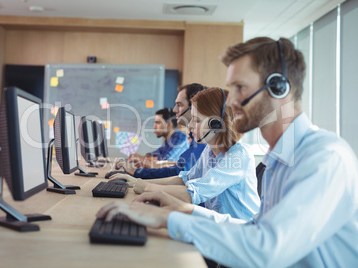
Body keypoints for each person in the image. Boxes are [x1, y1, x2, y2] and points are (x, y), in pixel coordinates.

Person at [97, 37, 358, 267]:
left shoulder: (323, 158)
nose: (230, 101)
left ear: (280, 88)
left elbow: (265, 250)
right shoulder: (279, 159)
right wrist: (180, 212)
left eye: (240, 88)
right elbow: (253, 229)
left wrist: (172, 220)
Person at [110, 87, 260, 221]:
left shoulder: (239, 155)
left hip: (241, 237)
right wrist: (138, 181)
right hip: (217, 231)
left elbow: (194, 193)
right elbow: (185, 179)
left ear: (216, 124)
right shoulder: (209, 151)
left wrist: (146, 187)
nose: (189, 126)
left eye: (195, 120)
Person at [119, 83, 207, 179]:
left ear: (193, 107)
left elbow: (175, 169)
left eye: (179, 105)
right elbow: (172, 165)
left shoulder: (188, 139)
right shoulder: (193, 137)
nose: (174, 110)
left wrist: (139, 173)